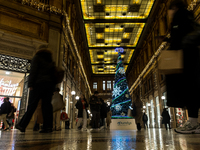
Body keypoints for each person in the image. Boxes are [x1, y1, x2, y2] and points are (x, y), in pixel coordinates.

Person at [165, 0, 200, 134]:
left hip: (186, 57)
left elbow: (180, 36)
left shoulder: (180, 16)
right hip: (189, 56)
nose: (168, 14)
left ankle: (193, 122)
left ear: (173, 8)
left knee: (189, 89)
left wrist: (173, 45)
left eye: (168, 11)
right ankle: (194, 122)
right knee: (191, 89)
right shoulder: (186, 15)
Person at [16, 46, 57, 133]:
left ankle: (22, 125)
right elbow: (54, 75)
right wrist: (53, 88)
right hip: (49, 86)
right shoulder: (50, 60)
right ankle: (48, 127)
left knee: (32, 105)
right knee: (47, 107)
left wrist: (30, 84)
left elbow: (33, 71)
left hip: (38, 84)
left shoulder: (37, 57)